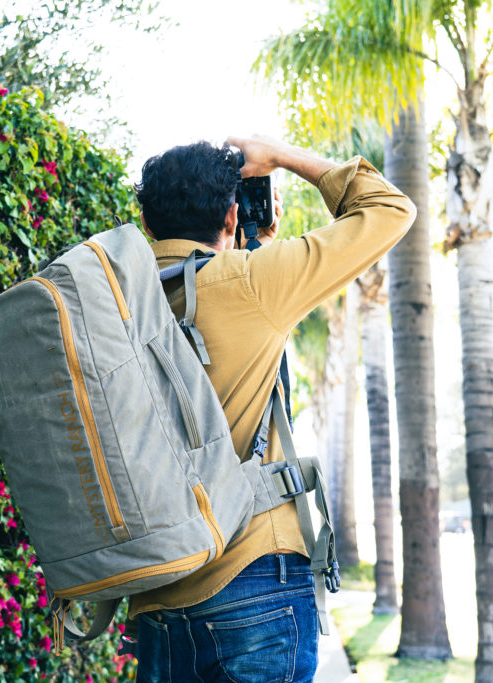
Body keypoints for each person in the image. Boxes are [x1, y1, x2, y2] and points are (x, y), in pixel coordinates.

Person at [130, 134, 415, 683]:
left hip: (157, 595)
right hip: (254, 582)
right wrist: (283, 157)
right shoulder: (252, 282)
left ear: (147, 224)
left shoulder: (117, 306)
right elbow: (389, 208)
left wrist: (243, 246)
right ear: (233, 213)